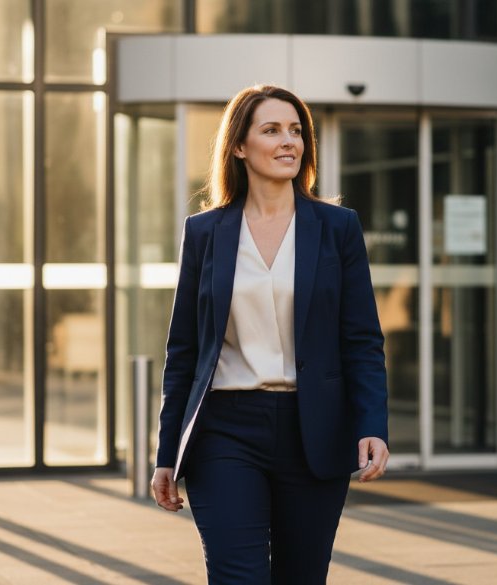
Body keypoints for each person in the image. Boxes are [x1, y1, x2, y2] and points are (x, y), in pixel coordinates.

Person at [151, 84, 389, 584]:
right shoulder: (204, 232)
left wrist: (372, 424)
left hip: (314, 429)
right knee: (237, 576)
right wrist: (167, 454)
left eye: (296, 131)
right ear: (239, 146)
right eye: (272, 130)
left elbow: (362, 339)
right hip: (225, 429)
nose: (289, 142)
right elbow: (184, 352)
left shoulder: (337, 227)